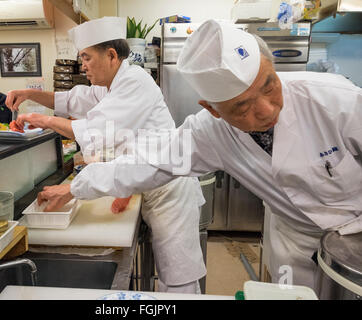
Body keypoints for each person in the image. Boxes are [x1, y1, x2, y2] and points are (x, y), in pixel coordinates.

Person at [37, 19, 362, 293]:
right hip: (295, 241)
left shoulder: (335, 99)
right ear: (213, 110)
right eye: (241, 107)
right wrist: (75, 186)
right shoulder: (210, 132)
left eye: (269, 85)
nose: (266, 110)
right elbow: (148, 161)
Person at [6, 17, 207, 294]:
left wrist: (46, 121)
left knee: (178, 278)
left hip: (169, 191)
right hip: (147, 182)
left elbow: (97, 130)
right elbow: (72, 100)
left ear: (111, 55)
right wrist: (29, 93)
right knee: (168, 272)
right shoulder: (109, 86)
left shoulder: (135, 82)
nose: (83, 65)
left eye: (87, 58)